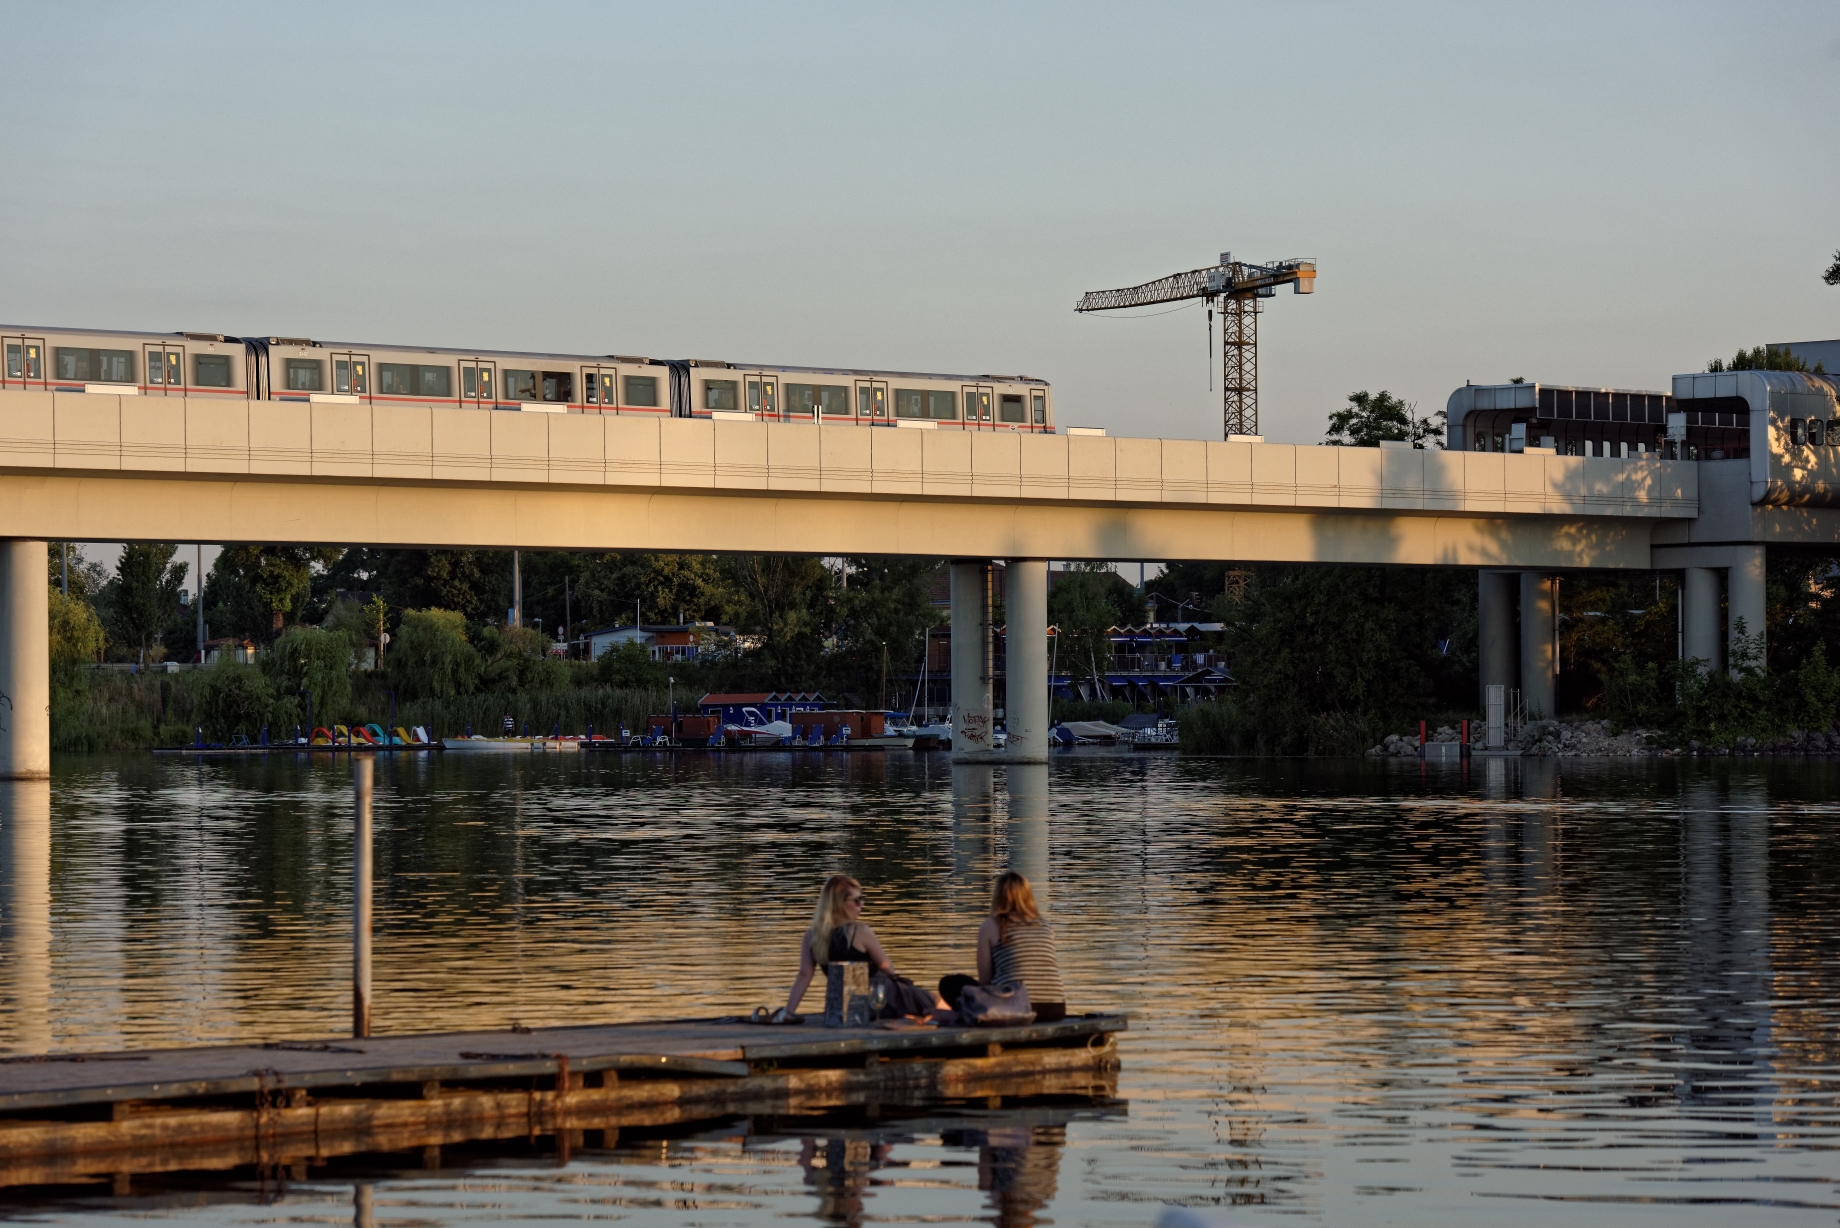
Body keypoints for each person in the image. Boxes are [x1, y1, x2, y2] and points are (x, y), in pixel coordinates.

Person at [784, 873, 940, 1019]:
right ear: (841, 903)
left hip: (841, 1005)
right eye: (857, 900)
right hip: (878, 999)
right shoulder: (860, 931)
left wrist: (788, 1012)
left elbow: (804, 976)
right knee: (936, 999)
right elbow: (888, 969)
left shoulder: (812, 936)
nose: (862, 904)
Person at [939, 871, 1066, 1023]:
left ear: (998, 896)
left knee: (950, 984)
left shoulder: (991, 925)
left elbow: (985, 981)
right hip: (1055, 1008)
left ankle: (954, 1016)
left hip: (1015, 1008)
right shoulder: (1045, 925)